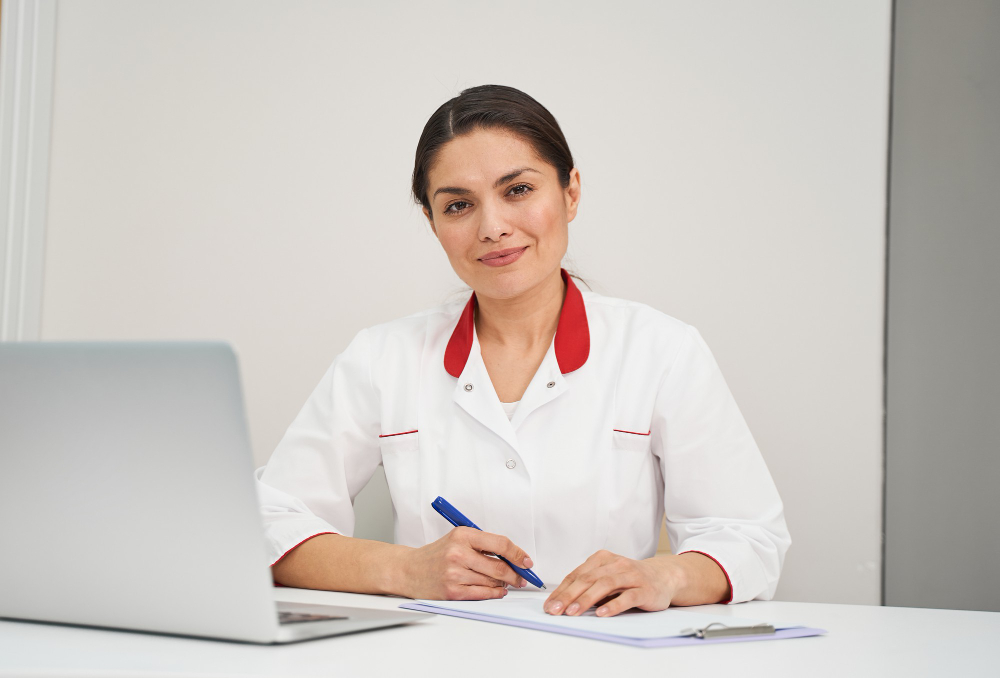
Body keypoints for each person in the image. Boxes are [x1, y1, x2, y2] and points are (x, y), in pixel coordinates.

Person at [256, 84, 790, 618]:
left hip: (606, 656)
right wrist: (405, 569)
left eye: (517, 190)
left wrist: (662, 575)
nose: (492, 228)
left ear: (571, 192)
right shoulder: (382, 357)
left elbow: (750, 538)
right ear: (433, 223)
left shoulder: (661, 350)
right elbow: (266, 520)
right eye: (459, 205)